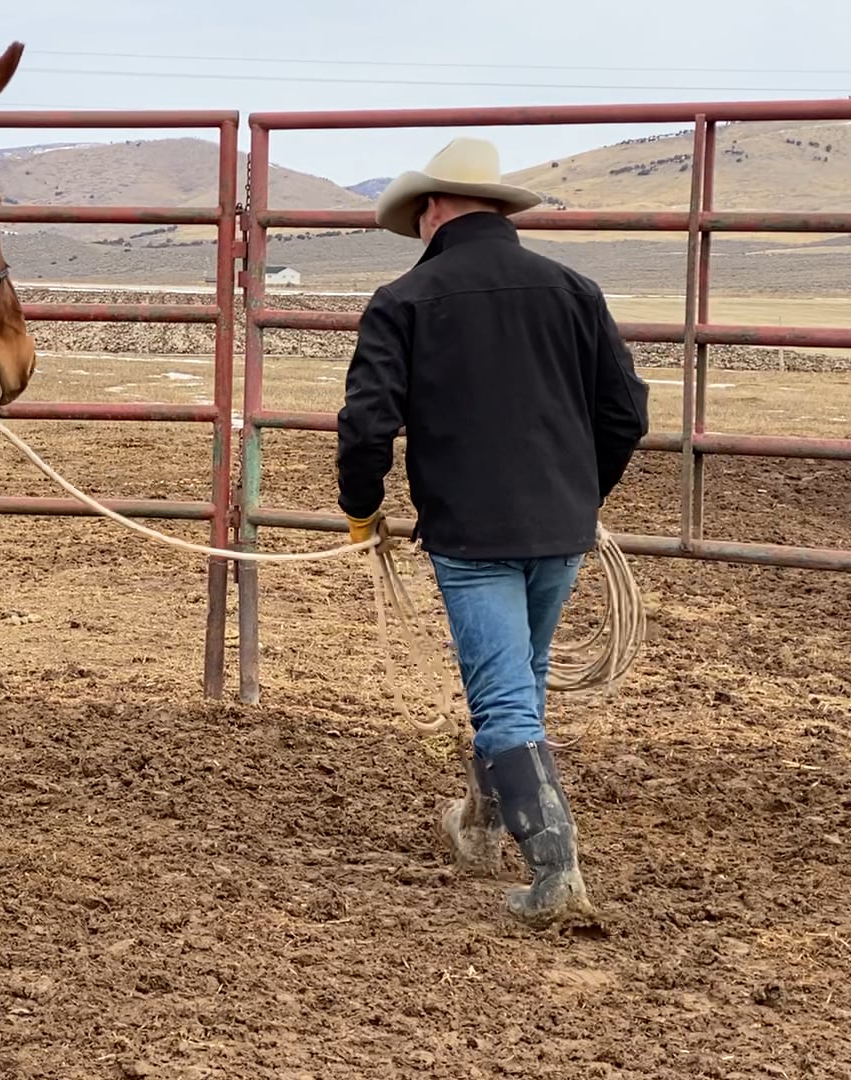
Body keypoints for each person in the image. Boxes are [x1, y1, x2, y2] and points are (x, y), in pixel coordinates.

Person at [333, 136, 650, 928]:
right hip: (560, 528)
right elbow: (625, 414)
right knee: (520, 681)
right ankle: (478, 823)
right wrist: (579, 497)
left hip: (470, 534)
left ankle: (556, 870)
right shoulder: (573, 290)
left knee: (505, 694)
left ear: (433, 207)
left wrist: (362, 509)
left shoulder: (404, 300)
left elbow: (367, 425)